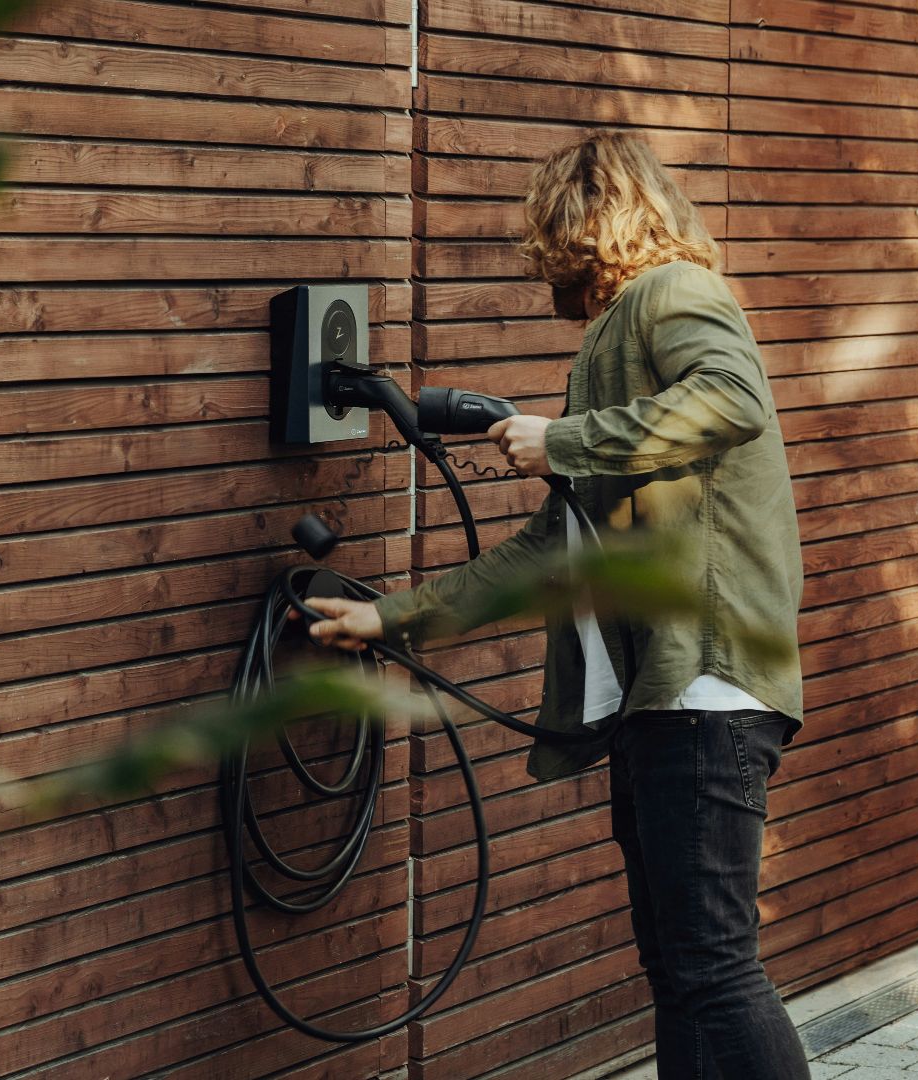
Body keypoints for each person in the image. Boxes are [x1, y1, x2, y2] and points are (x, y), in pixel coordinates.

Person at [300, 131, 810, 1080]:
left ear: (583, 221)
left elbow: (735, 398)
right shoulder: (612, 339)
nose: (543, 266)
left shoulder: (672, 292)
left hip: (703, 695)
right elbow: (550, 552)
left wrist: (565, 437)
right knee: (683, 971)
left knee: (712, 971)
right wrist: (390, 618)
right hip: (665, 706)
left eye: (547, 239)